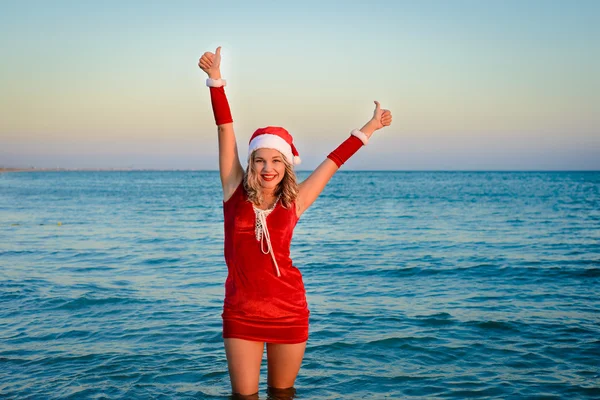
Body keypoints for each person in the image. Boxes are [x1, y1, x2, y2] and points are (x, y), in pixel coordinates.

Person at [198, 46, 392, 399]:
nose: (267, 168)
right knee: (244, 397)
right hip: (241, 311)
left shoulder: (294, 200)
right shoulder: (233, 192)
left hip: (289, 310)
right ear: (251, 162)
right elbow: (225, 129)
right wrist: (215, 81)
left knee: (282, 394)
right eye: (259, 160)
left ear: (287, 166)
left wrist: (371, 126)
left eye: (276, 160)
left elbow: (333, 161)